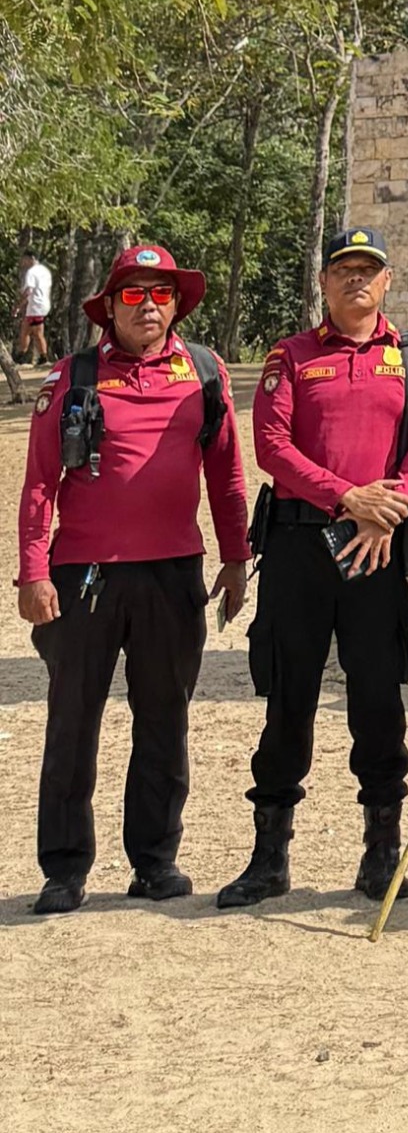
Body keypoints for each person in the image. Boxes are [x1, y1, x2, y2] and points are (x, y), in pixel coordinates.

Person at [17, 244, 248, 911]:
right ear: (110, 306)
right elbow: (39, 484)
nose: (148, 304)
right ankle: (64, 867)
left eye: (161, 293)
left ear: (177, 303)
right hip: (82, 577)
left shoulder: (204, 372)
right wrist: (34, 571)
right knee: (72, 721)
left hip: (174, 575)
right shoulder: (71, 376)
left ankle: (155, 859)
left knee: (164, 720)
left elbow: (227, 475)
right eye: (133, 293)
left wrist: (235, 558)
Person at [219, 226, 408, 910]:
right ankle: (269, 855)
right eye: (342, 269)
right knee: (290, 696)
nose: (355, 280)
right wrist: (347, 495)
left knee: (379, 696)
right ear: (323, 281)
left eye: (367, 270)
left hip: (376, 545)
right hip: (300, 546)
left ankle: (380, 854)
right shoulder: (291, 355)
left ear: (387, 280)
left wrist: (392, 501)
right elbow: (272, 445)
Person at [17, 251, 49, 366]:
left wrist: (19, 305)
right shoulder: (44, 271)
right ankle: (21, 355)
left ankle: (43, 357)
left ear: (31, 258)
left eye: (25, 259)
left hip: (36, 306)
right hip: (39, 305)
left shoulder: (32, 272)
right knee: (25, 330)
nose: (23, 262)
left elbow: (28, 291)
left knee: (37, 333)